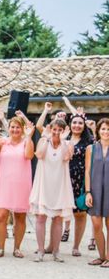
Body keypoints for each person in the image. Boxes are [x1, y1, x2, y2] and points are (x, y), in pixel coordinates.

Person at [0, 117, 35, 258]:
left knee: (20, 217)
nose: (15, 130)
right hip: (4, 184)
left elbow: (29, 155)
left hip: (21, 184)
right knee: (1, 216)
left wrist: (29, 136)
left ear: (22, 129)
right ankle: (1, 248)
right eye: (12, 127)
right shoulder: (2, 142)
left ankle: (17, 248)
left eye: (18, 127)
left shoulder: (27, 142)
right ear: (9, 128)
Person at [30, 121, 74, 263]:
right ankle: (41, 250)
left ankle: (56, 251)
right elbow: (39, 155)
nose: (56, 132)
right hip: (44, 182)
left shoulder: (68, 144)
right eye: (54, 129)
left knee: (58, 219)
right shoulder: (44, 141)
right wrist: (48, 138)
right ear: (50, 129)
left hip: (60, 184)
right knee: (41, 218)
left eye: (60, 130)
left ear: (63, 131)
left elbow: (66, 157)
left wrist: (62, 141)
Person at [64, 113, 94, 256]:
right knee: (57, 213)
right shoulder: (64, 138)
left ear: (84, 126)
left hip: (81, 180)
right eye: (74, 122)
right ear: (70, 124)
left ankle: (76, 246)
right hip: (63, 179)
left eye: (80, 123)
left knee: (80, 214)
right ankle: (53, 244)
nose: (77, 125)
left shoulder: (89, 142)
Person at [85, 118, 109, 267]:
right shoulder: (91, 149)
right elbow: (87, 172)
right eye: (103, 129)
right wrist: (88, 192)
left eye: (108, 129)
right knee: (96, 224)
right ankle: (101, 256)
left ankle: (108, 257)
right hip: (95, 190)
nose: (106, 132)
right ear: (98, 131)